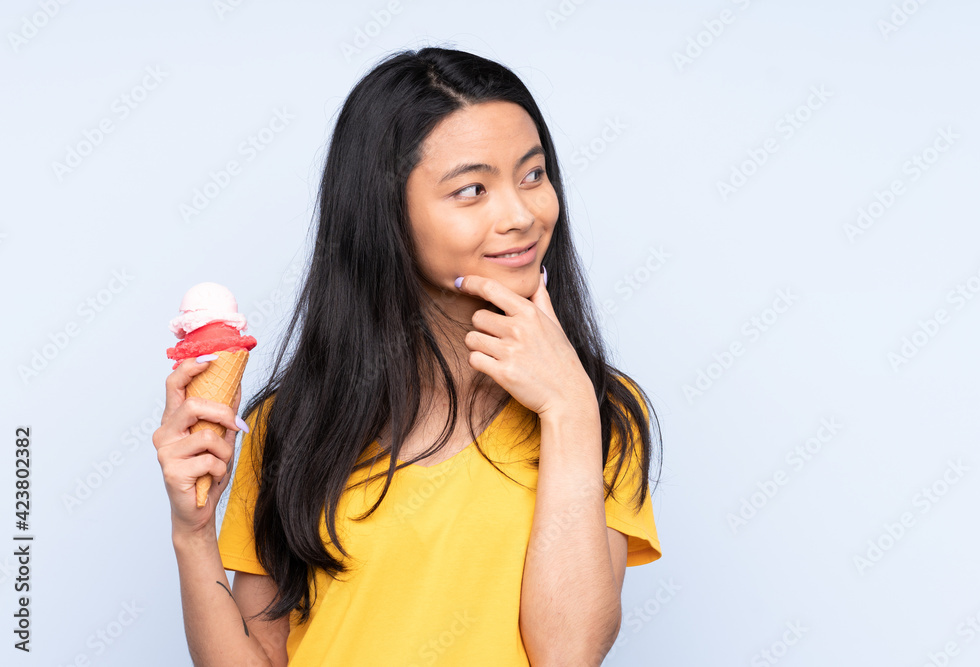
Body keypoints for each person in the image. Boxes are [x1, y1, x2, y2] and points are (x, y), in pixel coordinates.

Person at [153, 45, 663, 666]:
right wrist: (193, 532)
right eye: (473, 189)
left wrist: (568, 410)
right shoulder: (292, 423)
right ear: (386, 214)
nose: (523, 214)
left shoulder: (598, 412)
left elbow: (567, 654)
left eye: (533, 174)